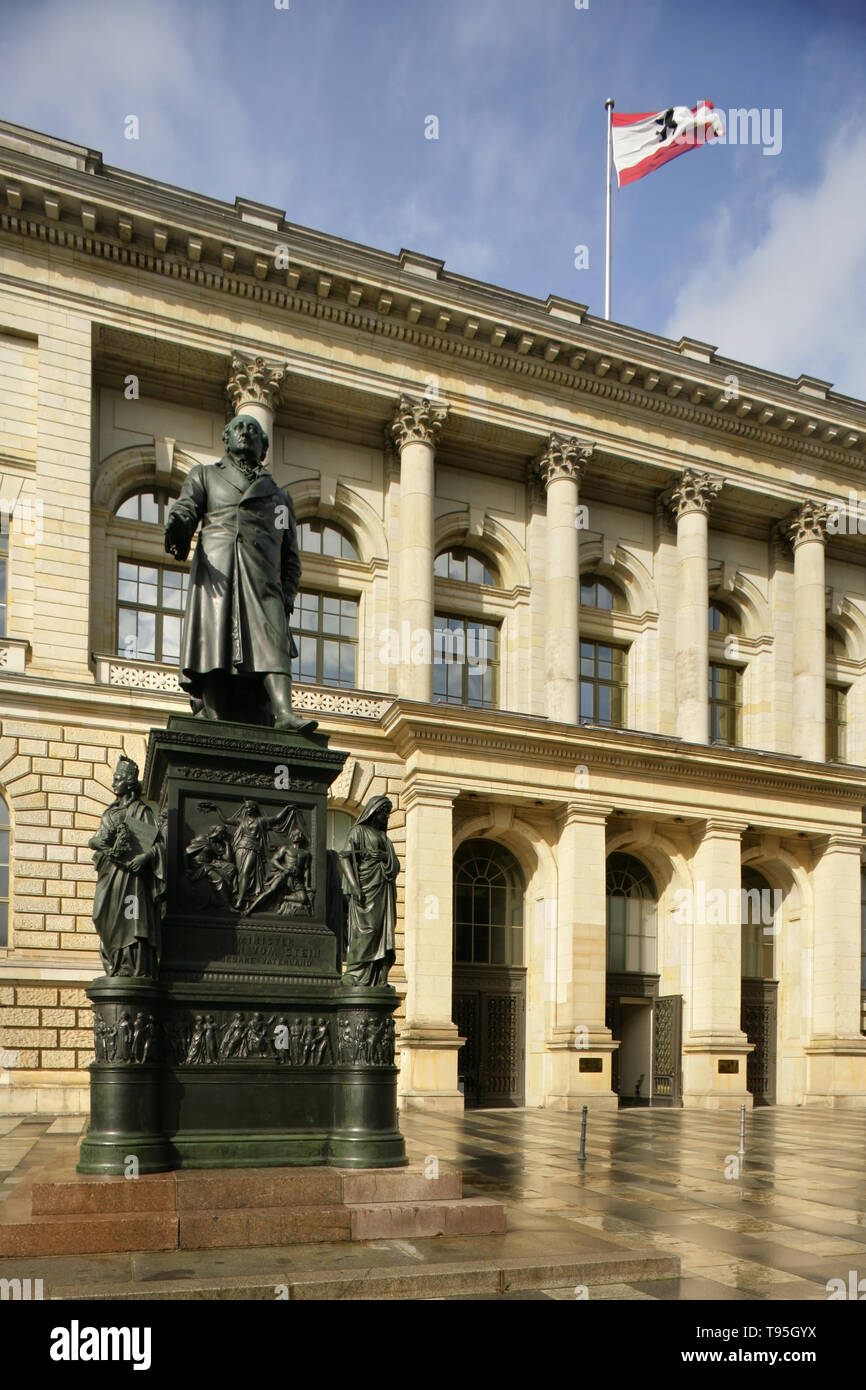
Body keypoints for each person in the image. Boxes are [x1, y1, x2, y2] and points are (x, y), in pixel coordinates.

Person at [164, 412, 316, 732]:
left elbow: (290, 556)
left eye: (253, 429)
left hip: (262, 578)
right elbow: (187, 507)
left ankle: (284, 713)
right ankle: (214, 714)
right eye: (238, 428)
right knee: (215, 639)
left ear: (264, 445)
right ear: (226, 439)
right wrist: (178, 525)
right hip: (219, 569)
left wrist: (287, 594)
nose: (245, 432)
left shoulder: (279, 497)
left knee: (273, 641)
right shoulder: (205, 475)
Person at [88, 757, 165, 979]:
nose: (114, 783)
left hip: (133, 879)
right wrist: (99, 843)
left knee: (133, 920)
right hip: (110, 873)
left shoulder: (143, 811)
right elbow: (96, 839)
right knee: (102, 915)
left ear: (130, 783)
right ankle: (114, 962)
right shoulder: (109, 813)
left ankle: (132, 967)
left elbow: (158, 844)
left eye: (119, 779)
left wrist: (144, 859)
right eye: (114, 779)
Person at [339, 796, 399, 987]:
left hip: (383, 891)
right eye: (384, 813)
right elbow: (344, 857)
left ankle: (377, 977)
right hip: (365, 891)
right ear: (374, 811)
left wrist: (384, 857)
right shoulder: (358, 831)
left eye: (388, 813)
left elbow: (395, 865)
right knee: (366, 932)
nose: (387, 817)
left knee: (381, 932)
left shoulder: (384, 838)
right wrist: (354, 886)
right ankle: (356, 975)